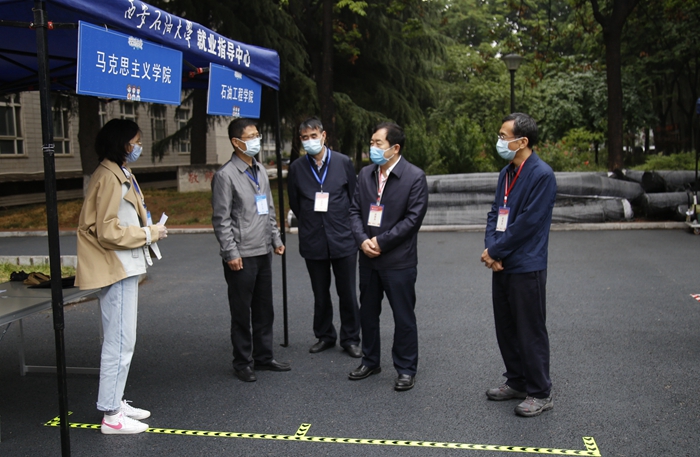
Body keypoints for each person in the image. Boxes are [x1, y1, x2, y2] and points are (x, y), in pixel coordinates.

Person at [75, 118, 168, 434]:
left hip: (123, 265)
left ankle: (114, 402)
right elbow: (108, 230)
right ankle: (112, 415)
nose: (139, 146)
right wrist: (148, 233)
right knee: (120, 341)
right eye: (136, 141)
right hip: (117, 266)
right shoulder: (110, 177)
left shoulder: (118, 172)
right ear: (122, 143)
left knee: (120, 339)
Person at [481, 112, 557, 417]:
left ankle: (540, 391)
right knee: (506, 327)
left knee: (530, 329)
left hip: (526, 264)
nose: (499, 141)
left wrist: (496, 251)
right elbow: (494, 213)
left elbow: (527, 224)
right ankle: (517, 380)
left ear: (522, 141)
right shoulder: (506, 172)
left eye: (504, 136)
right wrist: (491, 249)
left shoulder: (542, 175)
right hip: (502, 262)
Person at [348, 122, 428, 391]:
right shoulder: (365, 174)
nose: (372, 147)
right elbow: (354, 211)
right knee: (368, 314)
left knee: (403, 317)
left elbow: (412, 220)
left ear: (395, 148)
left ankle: (405, 368)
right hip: (368, 258)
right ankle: (370, 361)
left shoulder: (414, 177)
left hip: (398, 261)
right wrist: (362, 240)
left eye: (377, 143)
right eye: (371, 142)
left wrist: (381, 242)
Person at [211, 118, 290, 383]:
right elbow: (221, 219)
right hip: (241, 255)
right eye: (251, 136)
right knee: (242, 312)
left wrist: (276, 238)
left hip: (263, 250)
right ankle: (243, 361)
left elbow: (268, 208)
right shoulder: (225, 176)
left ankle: (264, 357)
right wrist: (230, 253)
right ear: (236, 142)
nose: (257, 140)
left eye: (258, 135)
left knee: (264, 309)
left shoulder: (260, 170)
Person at [287, 118, 362, 358]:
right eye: (305, 138)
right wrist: (312, 222)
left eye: (313, 135)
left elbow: (354, 198)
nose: (310, 141)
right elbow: (295, 203)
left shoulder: (343, 162)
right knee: (320, 293)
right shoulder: (297, 168)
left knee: (347, 293)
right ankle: (325, 335)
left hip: (343, 238)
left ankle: (351, 338)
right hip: (313, 239)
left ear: (323, 135)